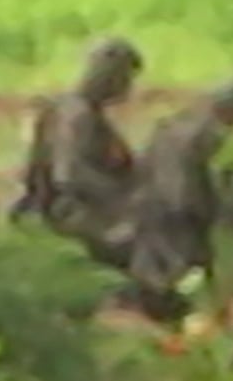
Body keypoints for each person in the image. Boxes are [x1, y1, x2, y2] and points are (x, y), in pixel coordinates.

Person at [126, 77, 233, 314]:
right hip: (184, 211)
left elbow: (144, 165)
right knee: (187, 276)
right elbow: (199, 181)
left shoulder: (169, 125)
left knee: (157, 270)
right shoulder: (210, 133)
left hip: (152, 204)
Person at [13, 35, 144, 262]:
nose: (128, 87)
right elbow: (72, 175)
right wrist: (128, 201)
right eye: (125, 77)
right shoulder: (77, 115)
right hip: (78, 213)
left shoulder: (79, 111)